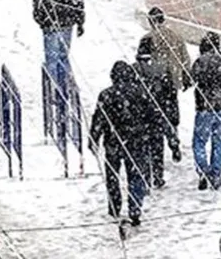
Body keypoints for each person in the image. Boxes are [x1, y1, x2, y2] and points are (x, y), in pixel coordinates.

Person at [91, 61, 178, 224]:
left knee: (112, 175)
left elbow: (99, 119)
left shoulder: (106, 95)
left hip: (113, 141)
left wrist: (94, 138)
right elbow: (154, 117)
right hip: (137, 141)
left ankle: (114, 205)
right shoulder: (142, 93)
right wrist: (161, 136)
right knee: (136, 175)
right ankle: (135, 207)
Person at [34, 0, 85, 107]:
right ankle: (67, 87)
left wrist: (42, 22)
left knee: (52, 59)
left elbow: (37, 9)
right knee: (63, 57)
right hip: (67, 25)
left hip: (50, 27)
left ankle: (54, 91)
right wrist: (80, 22)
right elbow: (78, 4)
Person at [135, 35, 178, 189]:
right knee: (157, 146)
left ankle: (146, 176)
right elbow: (171, 93)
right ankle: (158, 176)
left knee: (143, 148)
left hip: (141, 116)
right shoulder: (163, 67)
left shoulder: (134, 69)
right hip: (158, 112)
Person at [192, 32, 221, 190]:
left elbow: (190, 79)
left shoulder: (200, 62)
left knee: (199, 141)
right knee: (219, 142)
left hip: (204, 107)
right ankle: (216, 174)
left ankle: (203, 171)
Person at [143, 7, 193, 91]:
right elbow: (185, 59)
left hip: (157, 83)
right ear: (163, 19)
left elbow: (143, 63)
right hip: (175, 81)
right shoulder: (177, 36)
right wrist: (185, 76)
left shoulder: (147, 38)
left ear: (150, 21)